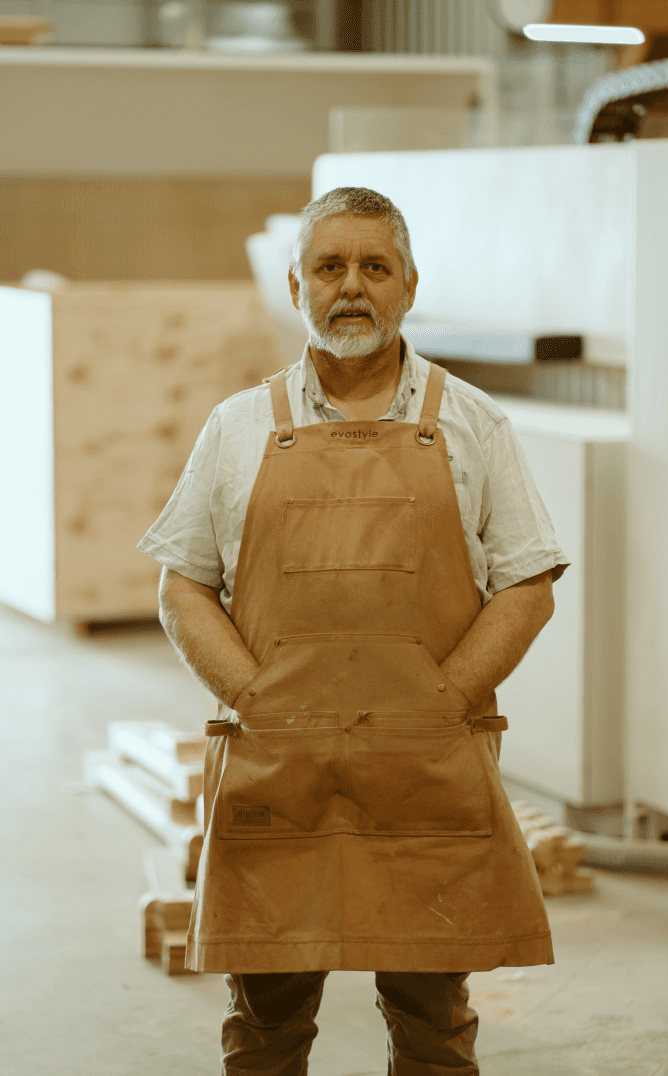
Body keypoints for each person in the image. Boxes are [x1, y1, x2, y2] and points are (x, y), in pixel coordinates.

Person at [138, 186, 570, 1075]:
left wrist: (443, 699)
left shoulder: (471, 423)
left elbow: (528, 583)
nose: (352, 288)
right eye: (329, 267)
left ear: (409, 284)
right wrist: (254, 696)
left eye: (375, 266)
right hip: (278, 772)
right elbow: (184, 586)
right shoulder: (239, 426)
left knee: (433, 1030)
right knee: (263, 1031)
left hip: (425, 774)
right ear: (295, 287)